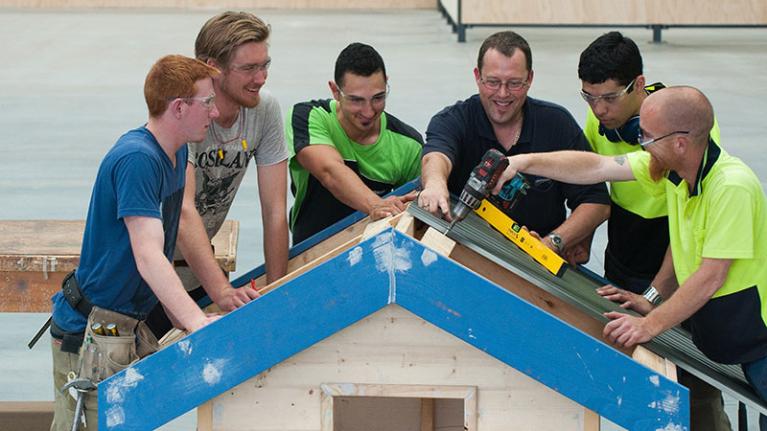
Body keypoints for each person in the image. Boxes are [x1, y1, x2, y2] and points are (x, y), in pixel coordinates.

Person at [494, 86, 767, 430]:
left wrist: (648, 325)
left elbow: (711, 276)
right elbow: (597, 167)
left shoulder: (730, 187)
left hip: (760, 342)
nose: (642, 144)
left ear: (680, 142)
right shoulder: (677, 175)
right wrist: (524, 162)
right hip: (733, 339)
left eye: (647, 136)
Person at [49, 55, 221, 430]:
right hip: (90, 330)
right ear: (179, 107)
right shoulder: (138, 159)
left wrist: (185, 317)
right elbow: (147, 255)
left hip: (127, 323)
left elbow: (162, 248)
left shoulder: (175, 156)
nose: (215, 111)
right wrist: (195, 322)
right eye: (207, 102)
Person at [578, 32, 728, 430]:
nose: (598, 109)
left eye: (608, 98)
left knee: (692, 380)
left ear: (639, 85)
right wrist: (584, 243)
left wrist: (655, 295)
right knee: (632, 372)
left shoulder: (680, 132)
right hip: (625, 250)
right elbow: (598, 184)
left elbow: (684, 230)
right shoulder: (598, 123)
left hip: (675, 258)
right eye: (589, 97)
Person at [145, 11, 289, 337]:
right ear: (212, 67)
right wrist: (222, 292)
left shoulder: (264, 110)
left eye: (265, 65)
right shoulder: (186, 116)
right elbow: (184, 213)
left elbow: (276, 211)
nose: (261, 77)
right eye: (249, 68)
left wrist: (277, 294)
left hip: (198, 275)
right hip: (152, 280)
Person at [419, 31, 609, 264]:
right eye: (493, 82)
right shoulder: (454, 120)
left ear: (530, 78)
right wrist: (435, 183)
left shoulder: (556, 124)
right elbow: (437, 155)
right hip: (463, 257)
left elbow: (596, 201)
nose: (502, 93)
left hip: (536, 266)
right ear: (477, 76)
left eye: (514, 83)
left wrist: (553, 242)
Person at [286, 42, 422, 244]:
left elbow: (416, 216)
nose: (368, 112)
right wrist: (376, 204)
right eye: (356, 100)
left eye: (378, 97)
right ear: (335, 91)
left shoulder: (409, 145)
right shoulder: (309, 116)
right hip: (309, 251)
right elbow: (329, 172)